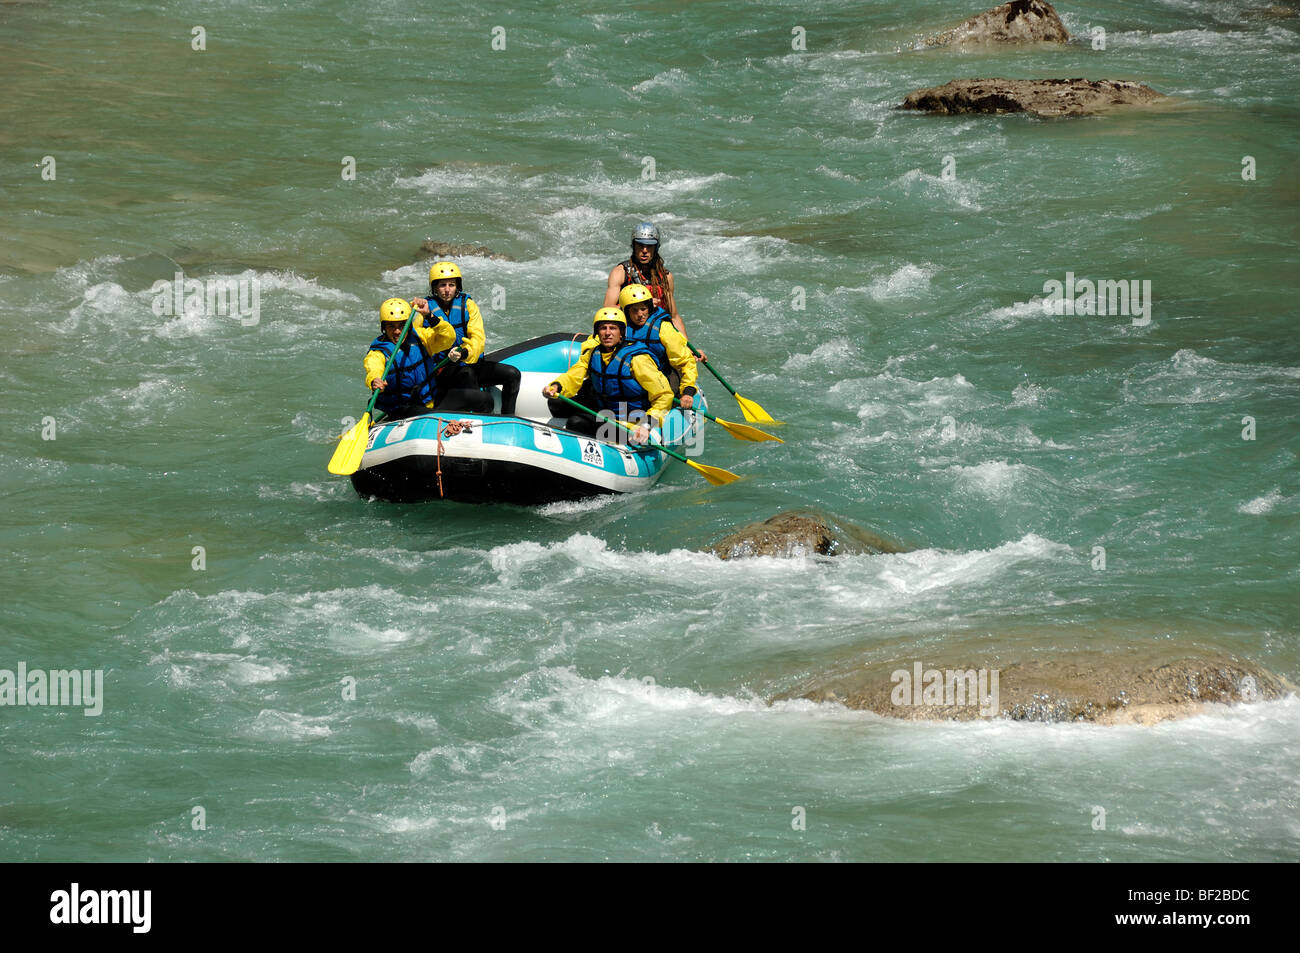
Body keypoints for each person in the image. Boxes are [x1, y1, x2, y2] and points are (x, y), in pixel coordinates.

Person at [542, 308, 672, 445]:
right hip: (605, 411)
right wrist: (556, 386)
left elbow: (664, 395)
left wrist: (646, 425)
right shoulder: (593, 353)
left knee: (576, 422)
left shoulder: (637, 359)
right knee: (556, 402)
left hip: (631, 421)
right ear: (597, 332)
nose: (608, 333)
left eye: (613, 328)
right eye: (603, 328)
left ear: (621, 332)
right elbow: (573, 376)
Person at [413, 260, 521, 415]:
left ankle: (509, 418)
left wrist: (464, 353)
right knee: (467, 374)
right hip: (442, 370)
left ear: (457, 286)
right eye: (442, 285)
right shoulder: (424, 311)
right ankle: (479, 416)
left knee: (513, 374)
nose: (447, 290)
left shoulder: (468, 305)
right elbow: (418, 344)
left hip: (468, 361)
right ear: (435, 287)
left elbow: (478, 338)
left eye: (451, 285)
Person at [364, 297, 492, 419]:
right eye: (391, 326)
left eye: (401, 326)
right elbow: (373, 368)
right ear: (384, 328)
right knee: (435, 418)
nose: (397, 331)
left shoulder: (420, 338)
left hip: (431, 399)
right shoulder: (378, 352)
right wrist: (375, 380)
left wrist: (429, 316)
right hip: (403, 409)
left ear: (408, 325)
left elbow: (448, 338)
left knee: (485, 400)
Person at [603, 222, 697, 345]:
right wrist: (640, 305)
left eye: (649, 246)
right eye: (640, 245)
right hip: (630, 332)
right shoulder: (620, 272)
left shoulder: (665, 277)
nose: (644, 251)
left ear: (656, 248)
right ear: (634, 246)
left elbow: (674, 317)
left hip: (656, 333)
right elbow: (607, 310)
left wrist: (686, 345)